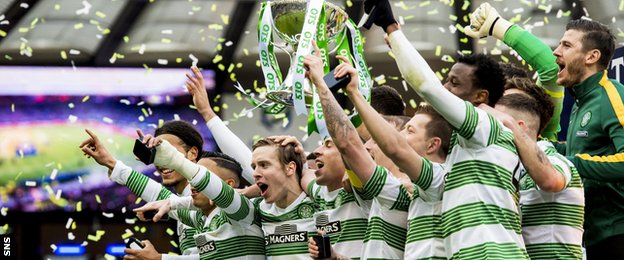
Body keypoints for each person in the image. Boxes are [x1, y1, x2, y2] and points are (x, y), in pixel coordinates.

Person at [363, 0, 527, 258]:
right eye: (446, 81)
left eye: (454, 83)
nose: (446, 90)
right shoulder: (466, 148)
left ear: (479, 97)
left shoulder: (485, 125)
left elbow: (428, 87)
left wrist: (393, 30)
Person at [304, 42, 412, 259]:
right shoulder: (372, 196)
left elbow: (347, 144)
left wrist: (323, 85)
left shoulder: (396, 191)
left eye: (375, 138)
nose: (368, 145)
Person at [138, 133, 316, 259]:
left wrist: (175, 160)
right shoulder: (260, 208)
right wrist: (113, 165)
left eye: (264, 165)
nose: (255, 174)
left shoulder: (318, 199)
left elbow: (220, 192)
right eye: (254, 167)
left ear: (291, 167)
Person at [347, 68, 452, 259]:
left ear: (433, 145)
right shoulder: (414, 189)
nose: (401, 137)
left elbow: (349, 145)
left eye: (409, 131)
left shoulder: (431, 180)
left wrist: (352, 93)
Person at [481, 90, 585, 259]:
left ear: (518, 127)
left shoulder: (554, 159)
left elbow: (551, 181)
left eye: (496, 122)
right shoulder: (509, 167)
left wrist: (509, 124)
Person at [551, 19, 624, 259]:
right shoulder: (580, 101)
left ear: (591, 56)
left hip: (617, 232)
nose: (556, 51)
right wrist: (545, 150)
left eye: (566, 45)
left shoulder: (613, 95)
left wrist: (570, 164)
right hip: (592, 234)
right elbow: (587, 151)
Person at [79, 121, 204, 259]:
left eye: (170, 152)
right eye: (159, 153)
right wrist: (110, 162)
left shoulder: (210, 198)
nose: (164, 160)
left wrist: (159, 258)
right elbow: (160, 195)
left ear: (193, 153)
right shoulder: (186, 200)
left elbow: (216, 257)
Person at [131, 151, 265, 260]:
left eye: (199, 178)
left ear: (228, 185)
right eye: (192, 178)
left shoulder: (242, 210)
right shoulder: (200, 217)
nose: (192, 185)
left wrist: (172, 157)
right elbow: (158, 194)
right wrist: (113, 165)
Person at [464, 2, 564, 141]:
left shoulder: (539, 130)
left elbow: (551, 68)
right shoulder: (466, 135)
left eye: (513, 101)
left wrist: (497, 26)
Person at [185, 66, 254, 185]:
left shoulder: (244, 203)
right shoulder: (181, 201)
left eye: (265, 165)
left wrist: (207, 111)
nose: (196, 181)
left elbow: (248, 166)